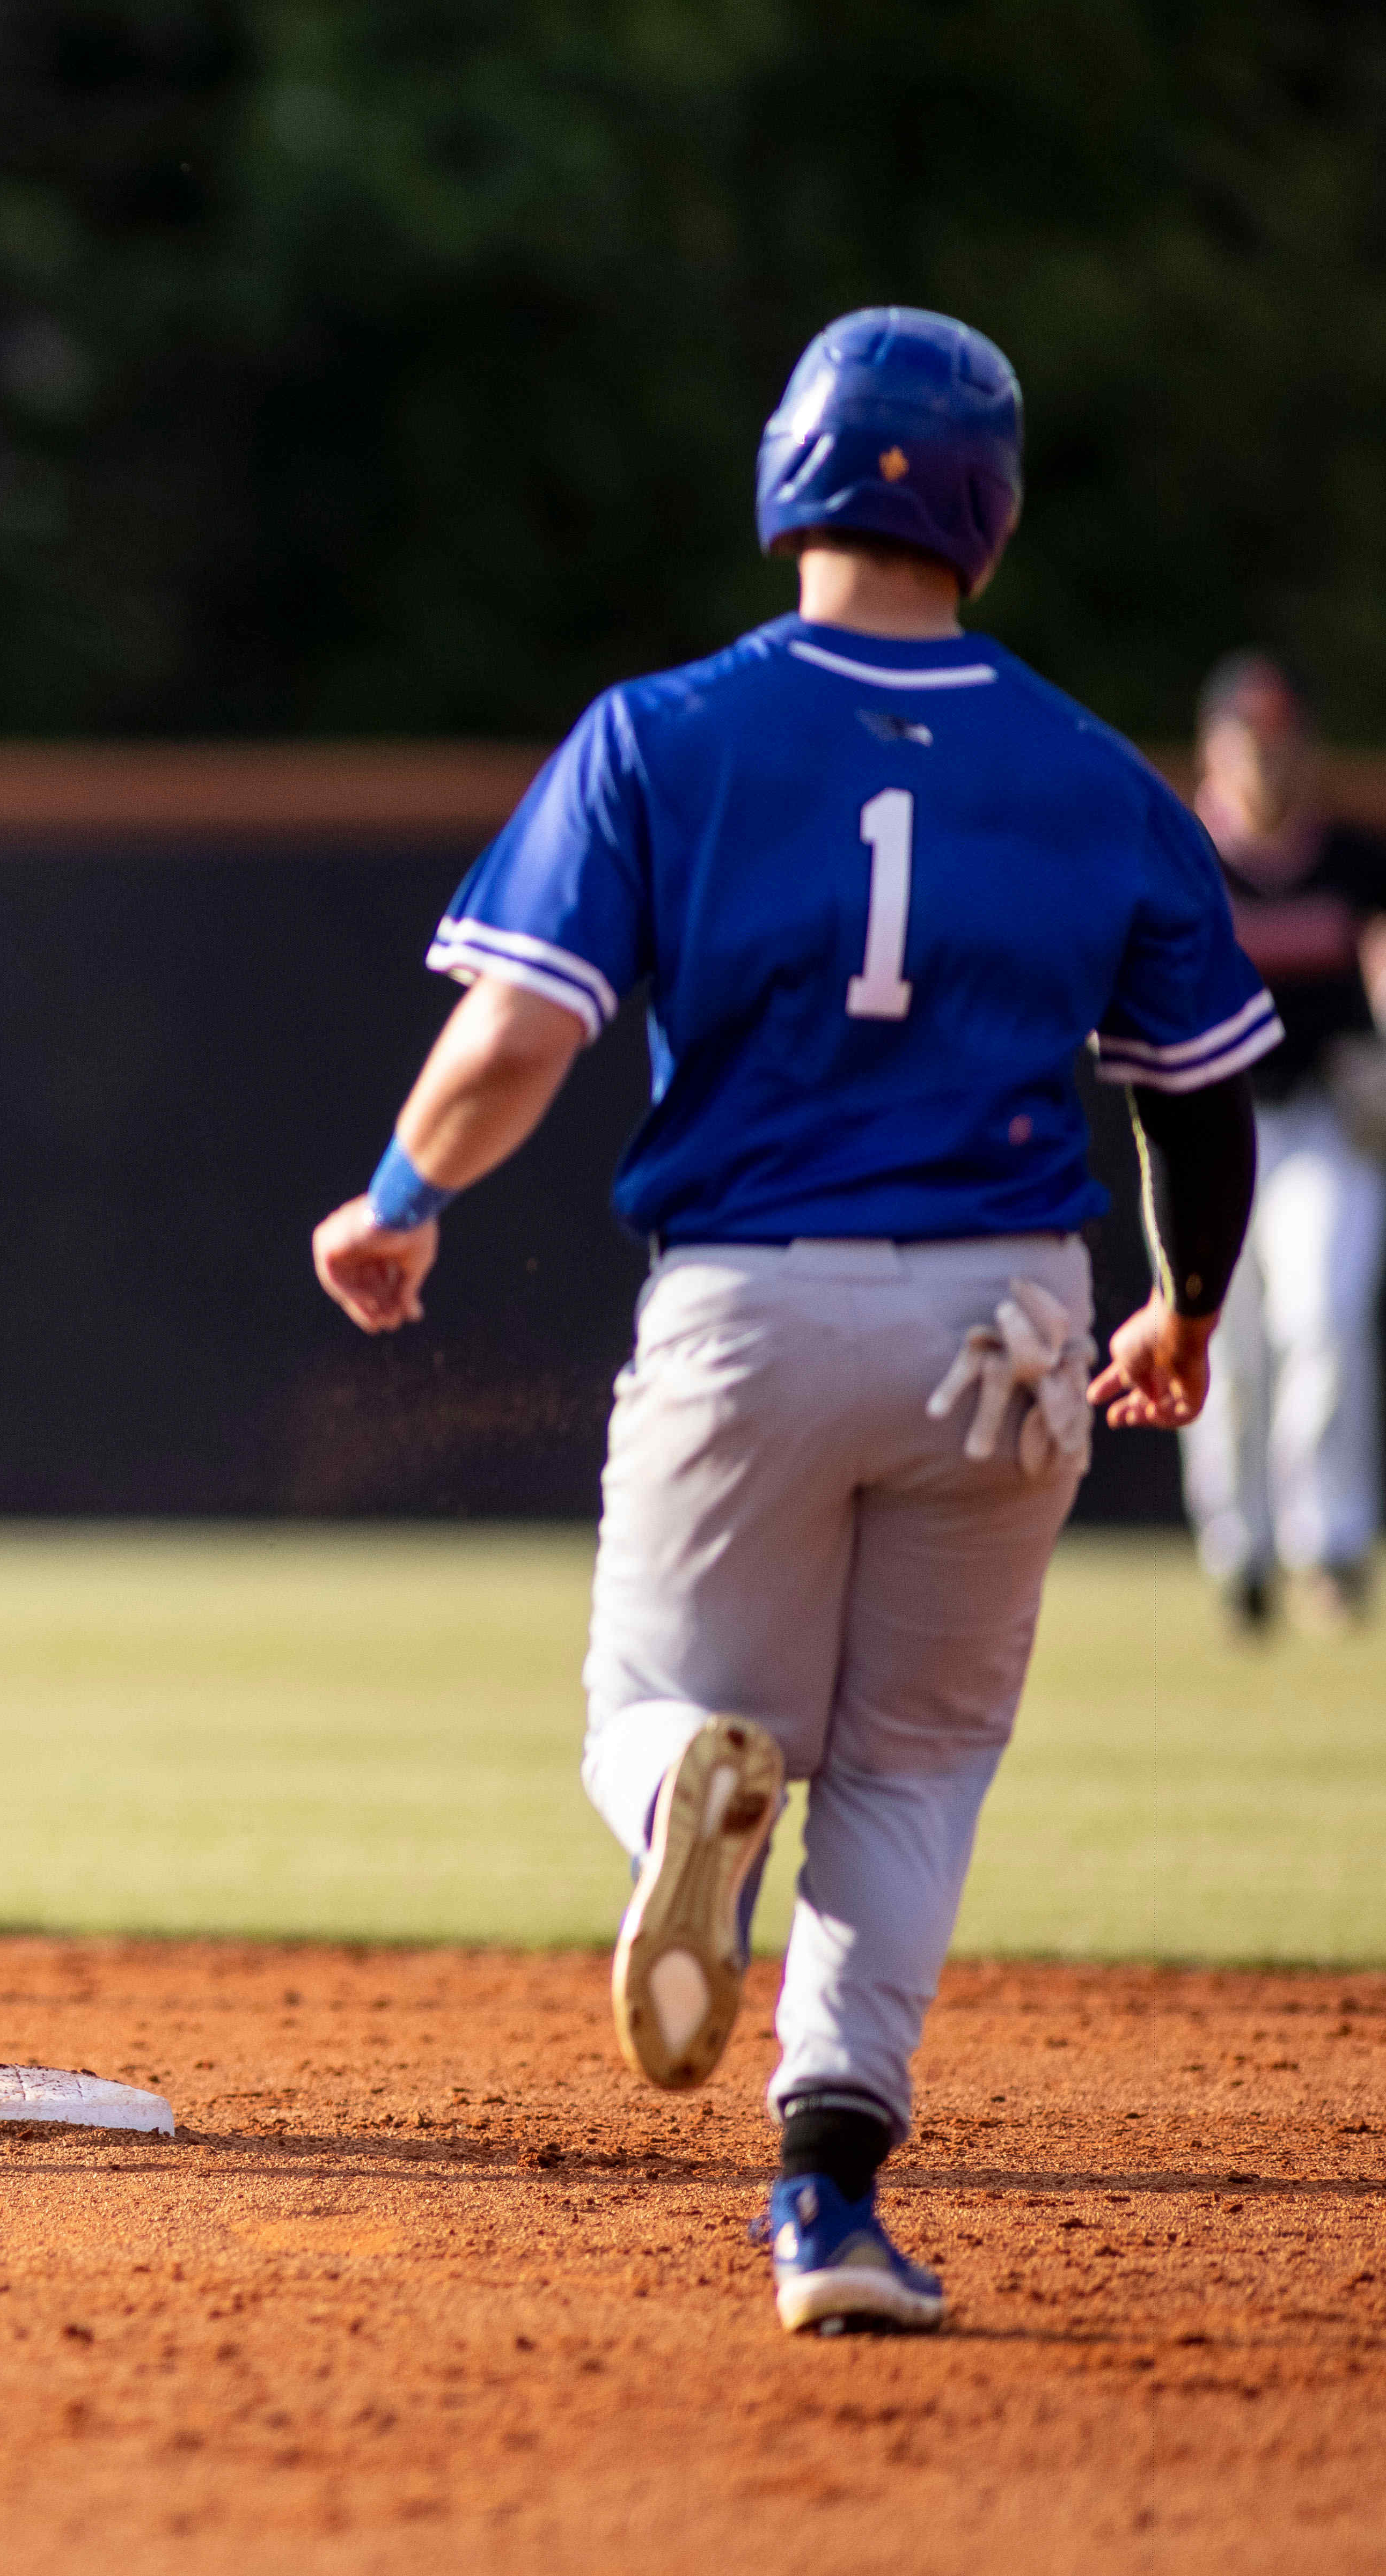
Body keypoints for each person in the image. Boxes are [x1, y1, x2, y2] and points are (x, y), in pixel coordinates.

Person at [310, 307, 1270, 2337]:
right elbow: (1195, 1091)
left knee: (641, 1708)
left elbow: (518, 1031)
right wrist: (1184, 1303)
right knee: (915, 1769)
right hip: (1011, 1313)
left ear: (789, 472)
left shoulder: (666, 732)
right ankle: (825, 2209)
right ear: (986, 512)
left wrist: (399, 1196)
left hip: (752, 1299)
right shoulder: (1091, 770)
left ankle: (683, 1797)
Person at [1178, 651, 1386, 1636]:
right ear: (1214, 749)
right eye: (1245, 740)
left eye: (1280, 739)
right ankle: (1240, 1556)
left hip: (1323, 1121)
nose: (1264, 760)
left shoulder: (1348, 855)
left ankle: (1330, 1546)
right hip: (1210, 1126)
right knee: (1221, 1343)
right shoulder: (1184, 854)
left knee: (1325, 1320)